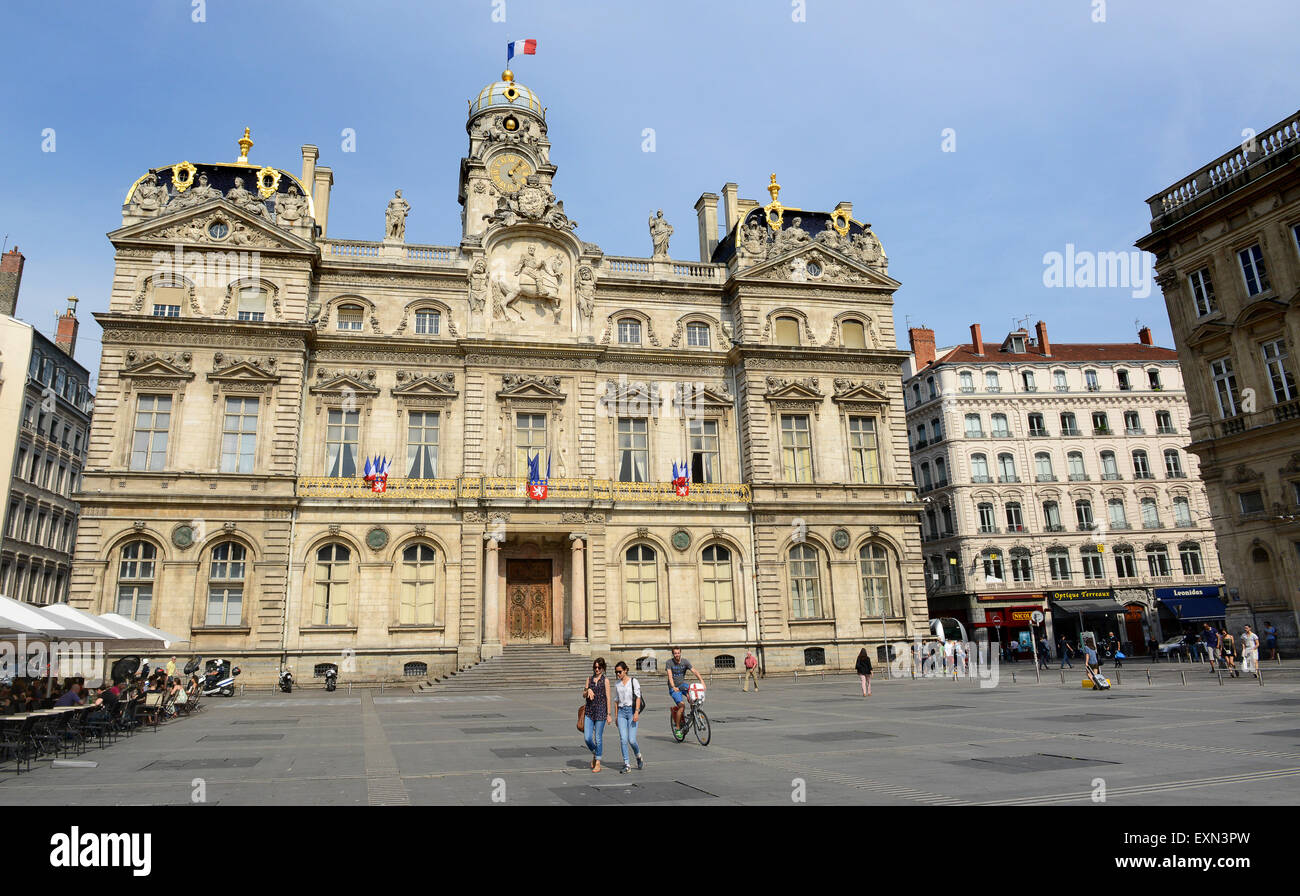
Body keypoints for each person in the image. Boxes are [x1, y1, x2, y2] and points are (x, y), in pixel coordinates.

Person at [611, 661, 643, 774]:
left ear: (625, 670)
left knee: (632, 740)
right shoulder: (617, 684)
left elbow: (638, 697)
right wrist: (616, 716)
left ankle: (638, 756)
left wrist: (636, 712)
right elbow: (616, 700)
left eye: (619, 672)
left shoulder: (633, 682)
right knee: (623, 739)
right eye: (616, 672)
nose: (618, 674)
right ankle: (627, 764)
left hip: (631, 711)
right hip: (621, 713)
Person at [666, 646, 705, 735]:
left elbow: (694, 671)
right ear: (673, 654)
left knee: (694, 695)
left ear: (680, 653)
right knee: (682, 706)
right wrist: (673, 686)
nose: (677, 655)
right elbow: (670, 676)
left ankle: (693, 713)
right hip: (674, 687)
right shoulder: (669, 663)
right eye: (675, 653)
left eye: (678, 653)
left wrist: (701, 680)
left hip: (682, 685)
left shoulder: (685, 661)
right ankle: (678, 728)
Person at [581, 658, 611, 773]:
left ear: (603, 668)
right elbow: (583, 695)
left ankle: (598, 762)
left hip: (601, 711)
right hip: (589, 711)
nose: (597, 669)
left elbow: (608, 698)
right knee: (587, 737)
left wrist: (609, 714)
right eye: (595, 667)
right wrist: (588, 690)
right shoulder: (589, 679)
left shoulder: (606, 681)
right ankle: (596, 752)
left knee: (598, 738)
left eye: (599, 667)